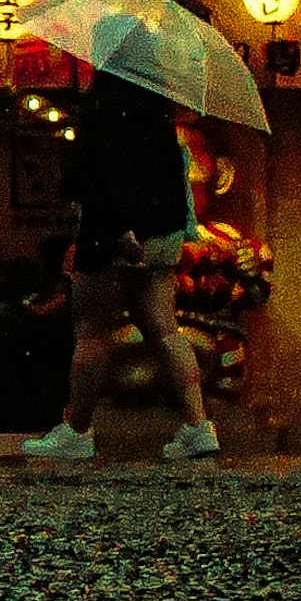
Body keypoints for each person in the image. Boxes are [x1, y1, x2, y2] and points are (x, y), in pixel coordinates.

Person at [22, 59, 218, 466]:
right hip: (164, 231)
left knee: (92, 331)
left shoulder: (105, 107)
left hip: (114, 232)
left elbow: (103, 174)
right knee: (164, 329)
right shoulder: (159, 107)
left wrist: (118, 227)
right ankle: (199, 427)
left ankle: (75, 431)